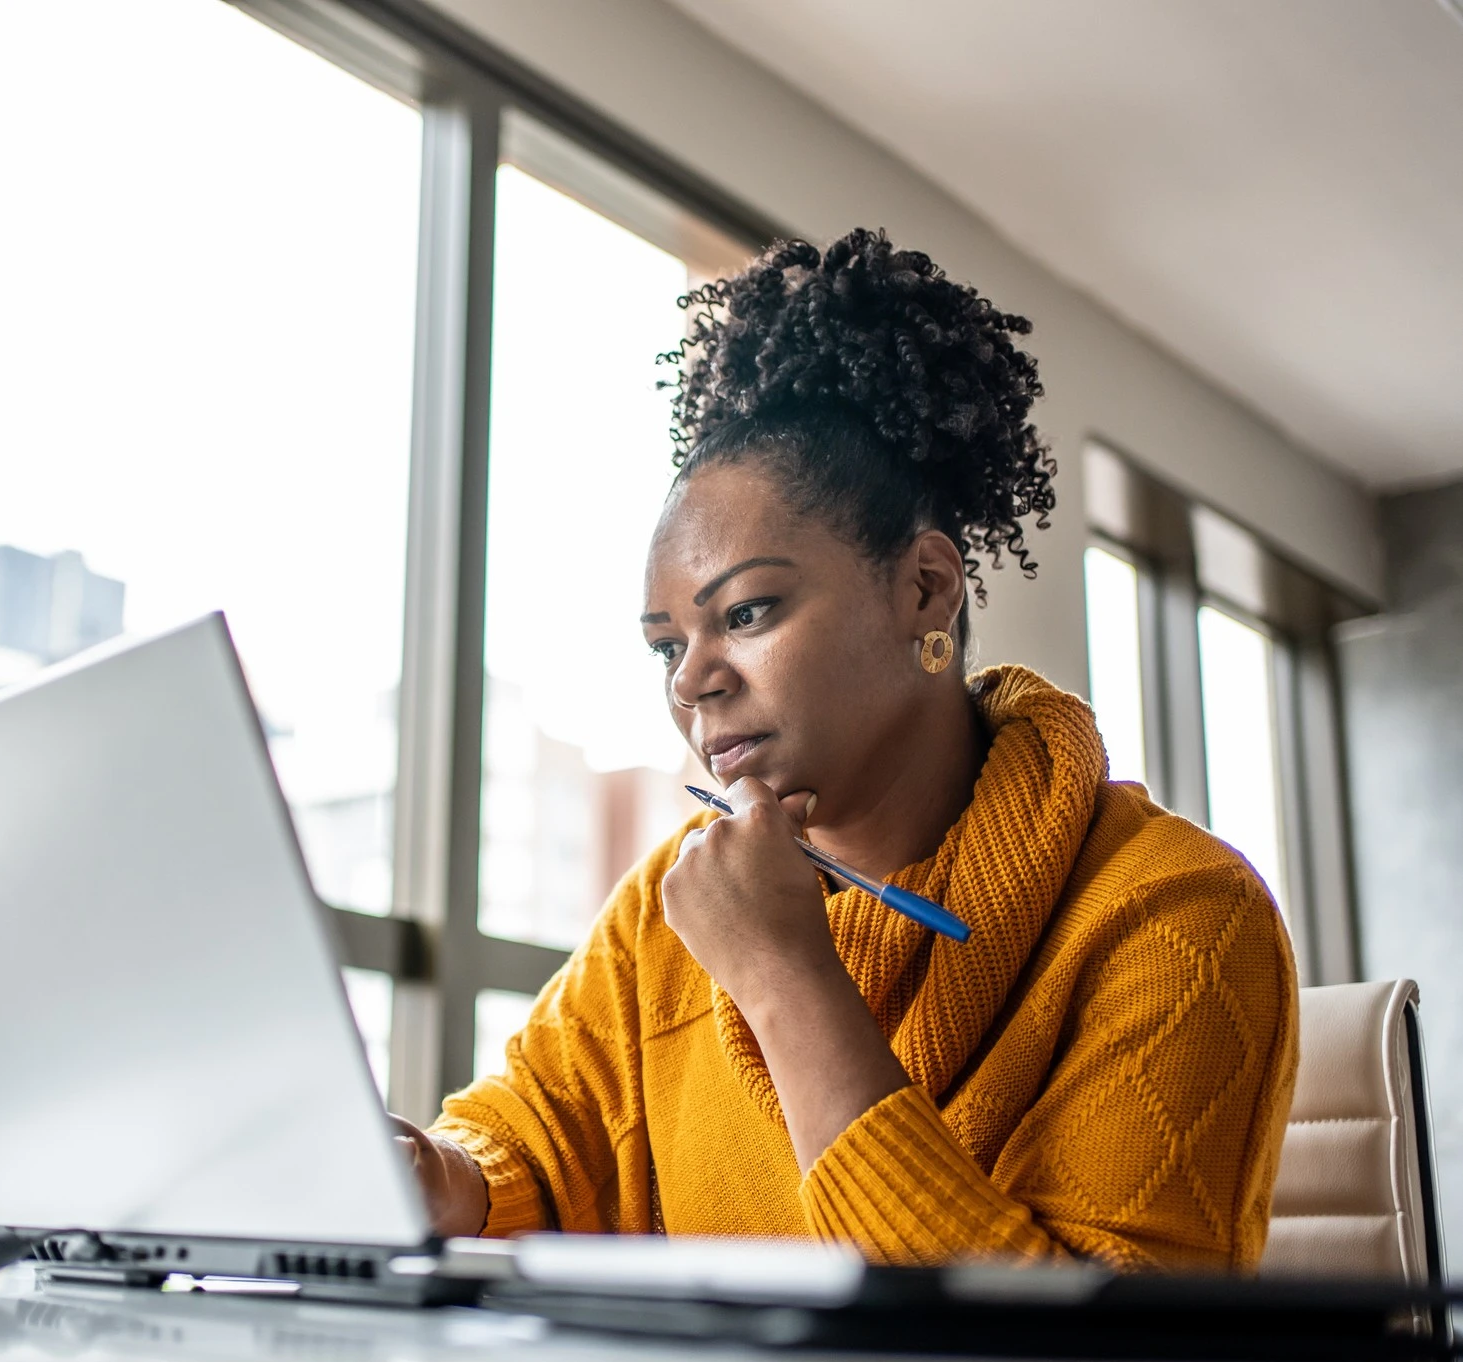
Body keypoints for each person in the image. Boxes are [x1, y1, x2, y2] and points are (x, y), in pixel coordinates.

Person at [395, 229, 1297, 1269]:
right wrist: (439, 1173)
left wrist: (784, 977)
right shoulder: (666, 909)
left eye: (748, 611)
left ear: (925, 588)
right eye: (665, 646)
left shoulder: (1177, 916)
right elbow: (531, 1142)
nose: (692, 679)